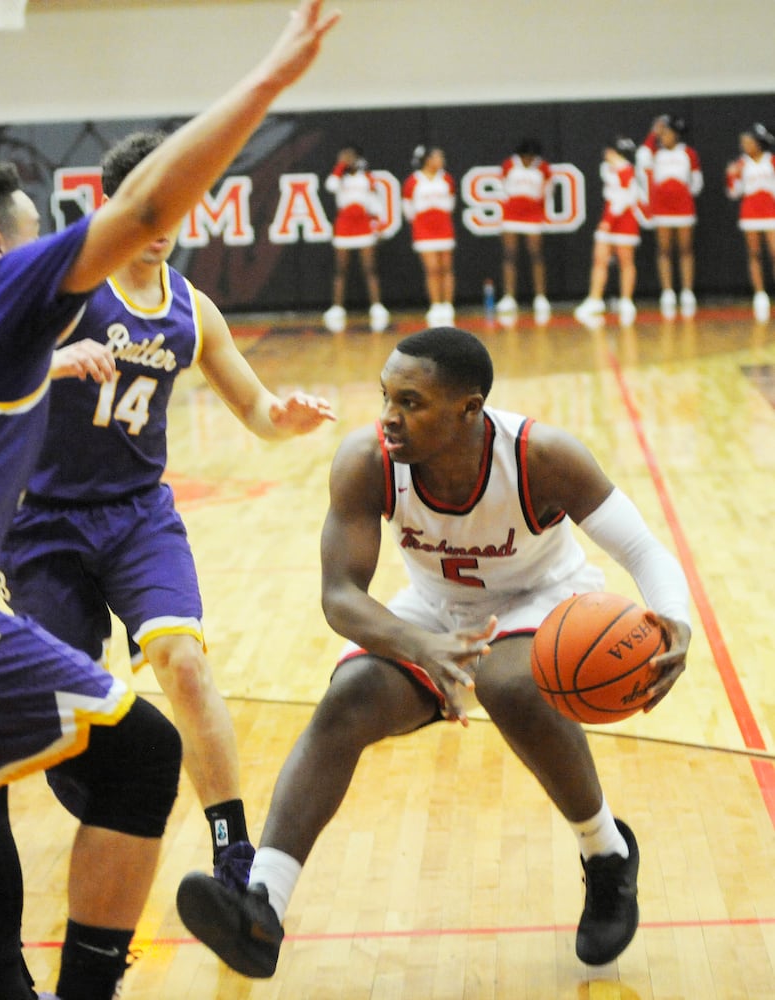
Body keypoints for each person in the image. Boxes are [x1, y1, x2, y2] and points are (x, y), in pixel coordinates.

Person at [0, 6, 340, 1000]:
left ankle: (37, 966)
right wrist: (264, 82)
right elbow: (134, 208)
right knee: (133, 756)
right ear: (2, 245)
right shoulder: (12, 292)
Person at [175, 325, 692, 979]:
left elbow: (644, 550)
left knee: (510, 685)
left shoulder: (542, 456)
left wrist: (675, 622)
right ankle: (260, 907)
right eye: (385, 396)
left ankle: (607, 856)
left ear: (469, 409)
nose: (389, 416)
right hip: (435, 609)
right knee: (348, 700)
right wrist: (424, 644)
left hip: (543, 600)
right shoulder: (367, 460)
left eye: (410, 403)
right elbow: (340, 597)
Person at [0, 129, 335, 891]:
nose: (163, 228)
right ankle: (98, 802)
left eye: (177, 209)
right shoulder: (67, 291)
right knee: (69, 701)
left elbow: (255, 407)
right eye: (149, 211)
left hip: (138, 516)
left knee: (183, 662)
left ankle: (233, 852)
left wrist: (289, 417)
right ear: (115, 209)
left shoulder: (192, 307)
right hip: (41, 523)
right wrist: (50, 362)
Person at [635, 114, 703, 319]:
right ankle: (667, 292)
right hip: (662, 210)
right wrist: (652, 133)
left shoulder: (688, 153)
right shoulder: (655, 153)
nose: (663, 136)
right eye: (661, 133)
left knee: (685, 249)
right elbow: (641, 157)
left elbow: (697, 182)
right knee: (664, 249)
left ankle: (687, 292)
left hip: (683, 208)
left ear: (676, 134)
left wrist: (683, 194)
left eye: (667, 133)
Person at [574, 137, 643, 327]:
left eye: (609, 151)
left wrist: (608, 221)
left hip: (624, 222)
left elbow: (624, 200)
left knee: (625, 260)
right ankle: (595, 299)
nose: (605, 154)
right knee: (599, 259)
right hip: (608, 221)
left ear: (616, 152)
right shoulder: (609, 170)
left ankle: (626, 300)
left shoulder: (627, 171)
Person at [322, 145, 390, 333]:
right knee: (340, 269)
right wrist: (339, 167)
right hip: (344, 227)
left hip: (363, 226)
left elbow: (375, 202)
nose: (346, 160)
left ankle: (377, 306)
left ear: (357, 158)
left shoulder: (366, 178)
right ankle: (337, 308)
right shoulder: (338, 178)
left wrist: (380, 224)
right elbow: (330, 186)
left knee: (369, 268)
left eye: (349, 157)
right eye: (343, 157)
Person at [496, 138, 552, 323]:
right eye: (525, 157)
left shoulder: (543, 168)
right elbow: (502, 189)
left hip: (533, 216)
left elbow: (547, 191)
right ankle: (509, 297)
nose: (528, 160)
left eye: (531, 157)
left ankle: (540, 297)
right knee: (509, 254)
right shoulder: (509, 165)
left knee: (536, 255)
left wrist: (539, 212)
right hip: (511, 216)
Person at [725, 122, 775, 322]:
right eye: (743, 143)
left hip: (771, 214)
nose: (745, 146)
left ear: (759, 143)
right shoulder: (741, 164)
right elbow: (733, 192)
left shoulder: (771, 161)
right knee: (754, 254)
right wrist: (731, 176)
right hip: (750, 214)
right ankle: (760, 294)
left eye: (748, 142)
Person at [402, 144, 456, 327]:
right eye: (438, 157)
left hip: (444, 228)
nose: (442, 161)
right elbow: (408, 209)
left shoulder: (446, 179)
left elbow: (451, 203)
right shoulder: (413, 181)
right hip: (424, 230)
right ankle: (435, 305)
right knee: (432, 268)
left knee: (446, 267)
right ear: (427, 160)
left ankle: (448, 305)